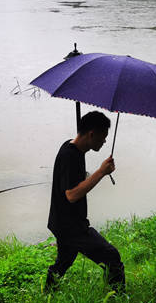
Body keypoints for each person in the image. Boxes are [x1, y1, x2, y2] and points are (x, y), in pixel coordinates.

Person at [46, 111, 125, 293]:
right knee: (111, 256)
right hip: (71, 227)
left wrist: (88, 175)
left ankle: (48, 294)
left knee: (63, 262)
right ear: (91, 134)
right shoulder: (70, 155)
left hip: (62, 222)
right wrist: (100, 172)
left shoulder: (73, 148)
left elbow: (71, 181)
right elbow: (71, 195)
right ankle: (118, 299)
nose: (105, 142)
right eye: (103, 137)